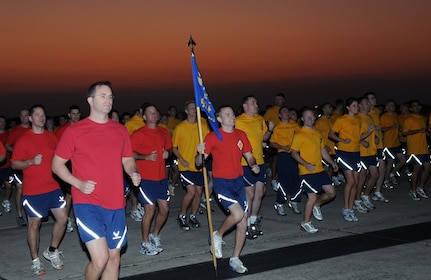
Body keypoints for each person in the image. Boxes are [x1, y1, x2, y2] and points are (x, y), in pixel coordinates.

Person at [52, 81, 141, 279]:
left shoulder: (120, 130)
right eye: (103, 95)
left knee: (114, 259)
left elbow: (127, 159)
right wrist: (78, 183)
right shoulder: (75, 131)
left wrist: (133, 171)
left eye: (110, 96)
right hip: (88, 202)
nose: (108, 100)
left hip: (116, 203)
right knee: (100, 259)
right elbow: (56, 165)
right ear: (90, 100)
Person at [196, 105, 259, 274]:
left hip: (238, 182)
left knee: (243, 223)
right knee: (237, 215)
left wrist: (254, 165)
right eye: (228, 114)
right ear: (219, 119)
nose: (232, 116)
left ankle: (235, 259)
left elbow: (249, 156)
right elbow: (199, 162)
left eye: (232, 114)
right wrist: (199, 153)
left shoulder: (241, 135)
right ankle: (218, 235)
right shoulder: (212, 137)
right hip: (222, 182)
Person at [11, 104, 68, 276]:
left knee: (63, 218)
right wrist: (30, 162)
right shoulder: (24, 140)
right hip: (33, 191)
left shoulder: (51, 137)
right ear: (30, 118)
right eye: (37, 114)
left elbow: (60, 157)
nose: (41, 117)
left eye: (43, 114)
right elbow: (14, 163)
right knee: (34, 224)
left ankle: (52, 250)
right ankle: (35, 261)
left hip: (53, 187)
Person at [131, 104, 172, 256]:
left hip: (161, 177)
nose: (154, 115)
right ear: (144, 116)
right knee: (150, 210)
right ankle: (144, 243)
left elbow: (168, 148)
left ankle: (154, 235)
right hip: (146, 178)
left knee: (165, 209)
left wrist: (167, 153)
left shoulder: (163, 131)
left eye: (156, 112)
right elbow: (129, 154)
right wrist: (145, 156)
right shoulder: (138, 134)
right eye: (150, 113)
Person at [290, 108, 337, 233]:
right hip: (306, 171)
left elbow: (322, 151)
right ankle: (305, 223)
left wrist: (332, 163)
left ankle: (317, 205)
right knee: (312, 197)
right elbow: (293, 153)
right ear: (302, 119)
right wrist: (305, 164)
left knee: (331, 193)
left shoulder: (318, 132)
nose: (310, 118)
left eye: (312, 116)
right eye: (307, 116)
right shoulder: (299, 134)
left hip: (320, 170)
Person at [235, 95, 273, 238]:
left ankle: (253, 220)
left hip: (260, 162)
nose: (256, 104)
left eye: (256, 102)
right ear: (245, 106)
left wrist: (269, 130)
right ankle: (245, 224)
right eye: (253, 102)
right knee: (249, 195)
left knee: (260, 193)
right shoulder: (238, 121)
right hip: (245, 163)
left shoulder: (259, 119)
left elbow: (263, 138)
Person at [172, 100, 210, 230]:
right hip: (186, 165)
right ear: (187, 111)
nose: (194, 109)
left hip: (199, 165)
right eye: (192, 108)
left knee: (199, 192)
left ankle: (192, 216)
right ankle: (182, 215)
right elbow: (174, 147)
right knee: (191, 191)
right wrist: (181, 160)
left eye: (196, 107)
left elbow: (207, 144)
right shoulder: (180, 127)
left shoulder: (202, 126)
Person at [329, 98, 361, 222]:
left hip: (356, 152)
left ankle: (350, 208)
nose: (356, 107)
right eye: (354, 105)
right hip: (344, 152)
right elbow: (331, 134)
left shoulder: (358, 120)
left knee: (356, 182)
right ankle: (346, 208)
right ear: (347, 107)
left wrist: (368, 133)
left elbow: (358, 136)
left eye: (357, 105)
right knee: (351, 181)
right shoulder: (341, 120)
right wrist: (342, 140)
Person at [270, 106, 301, 216]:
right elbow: (272, 142)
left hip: (295, 154)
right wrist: (283, 147)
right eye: (284, 111)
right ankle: (280, 203)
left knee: (296, 179)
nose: (286, 113)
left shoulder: (295, 125)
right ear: (279, 115)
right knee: (283, 179)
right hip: (283, 155)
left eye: (288, 111)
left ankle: (294, 201)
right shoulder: (277, 127)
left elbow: (301, 138)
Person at [55, 105, 82, 233]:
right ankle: (67, 219)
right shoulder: (61, 130)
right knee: (70, 194)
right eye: (73, 114)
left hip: (82, 164)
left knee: (81, 192)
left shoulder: (84, 127)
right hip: (67, 164)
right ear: (69, 115)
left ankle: (80, 218)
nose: (75, 116)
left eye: (77, 114)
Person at [5, 108, 31, 226]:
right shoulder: (16, 131)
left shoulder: (33, 129)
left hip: (32, 166)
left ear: (30, 117)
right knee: (20, 189)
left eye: (26, 115)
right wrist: (17, 152)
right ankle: (20, 215)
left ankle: (31, 214)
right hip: (19, 166)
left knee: (30, 190)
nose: (24, 118)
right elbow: (7, 145)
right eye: (22, 116)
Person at [402, 100, 430, 200]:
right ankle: (413, 191)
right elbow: (405, 133)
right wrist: (418, 131)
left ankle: (420, 187)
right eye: (414, 106)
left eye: (418, 106)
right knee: (416, 170)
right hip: (414, 149)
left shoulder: (423, 118)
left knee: (428, 168)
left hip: (424, 148)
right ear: (411, 108)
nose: (416, 107)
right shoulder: (409, 119)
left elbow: (425, 131)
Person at [355, 96, 379, 212]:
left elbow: (371, 132)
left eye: (369, 103)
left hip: (371, 151)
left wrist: (374, 137)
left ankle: (365, 196)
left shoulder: (369, 117)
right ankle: (357, 200)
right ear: (360, 106)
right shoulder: (357, 118)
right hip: (362, 152)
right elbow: (355, 136)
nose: (369, 105)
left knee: (375, 175)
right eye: (366, 103)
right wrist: (362, 140)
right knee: (362, 177)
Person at [124, 106, 146, 222]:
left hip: (146, 160)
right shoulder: (130, 123)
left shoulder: (146, 123)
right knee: (134, 184)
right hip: (134, 159)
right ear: (141, 110)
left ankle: (140, 205)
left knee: (142, 184)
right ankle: (134, 208)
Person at [381, 100, 406, 190]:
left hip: (396, 143)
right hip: (388, 144)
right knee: (390, 163)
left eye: (393, 105)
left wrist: (399, 130)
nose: (393, 106)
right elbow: (381, 129)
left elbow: (397, 126)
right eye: (390, 105)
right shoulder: (384, 116)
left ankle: (392, 174)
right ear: (387, 107)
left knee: (403, 160)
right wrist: (390, 128)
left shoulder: (395, 115)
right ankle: (386, 180)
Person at [263, 93, 286, 191]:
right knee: (275, 158)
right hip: (273, 138)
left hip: (285, 138)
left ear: (283, 101)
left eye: (280, 99)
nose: (277, 101)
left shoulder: (285, 111)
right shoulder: (271, 111)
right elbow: (263, 121)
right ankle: (273, 178)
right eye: (276, 99)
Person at [314, 103, 339, 185]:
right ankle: (321, 186)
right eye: (328, 107)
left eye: (331, 107)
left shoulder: (332, 121)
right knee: (326, 169)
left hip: (333, 150)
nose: (331, 108)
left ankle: (326, 185)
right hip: (324, 150)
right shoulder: (320, 122)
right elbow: (316, 136)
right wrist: (324, 146)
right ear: (324, 109)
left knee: (331, 169)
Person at [0, 115, 13, 214]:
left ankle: (6, 200)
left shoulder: (10, 134)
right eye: (0, 121)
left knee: (9, 186)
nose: (2, 123)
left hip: (7, 165)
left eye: (4, 121)